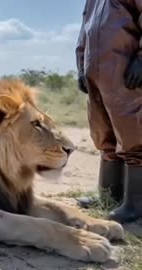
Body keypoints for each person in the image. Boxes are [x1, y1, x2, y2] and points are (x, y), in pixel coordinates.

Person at [75, 0, 142, 223]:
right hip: (96, 72)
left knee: (133, 133)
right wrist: (81, 66)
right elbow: (85, 29)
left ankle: (137, 204)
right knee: (104, 134)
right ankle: (109, 196)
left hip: (125, 70)